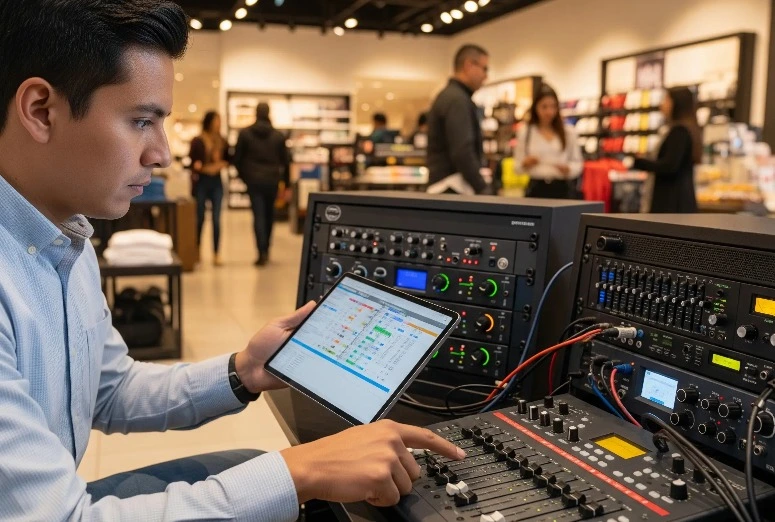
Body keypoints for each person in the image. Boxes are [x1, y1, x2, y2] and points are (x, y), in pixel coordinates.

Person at [0, 1, 465, 520]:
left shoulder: (68, 241)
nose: (162, 154)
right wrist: (300, 471)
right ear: (41, 110)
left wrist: (243, 371)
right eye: (140, 121)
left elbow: (110, 390)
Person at [426, 44, 491, 195]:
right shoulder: (457, 100)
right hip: (451, 188)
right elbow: (462, 151)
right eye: (484, 68)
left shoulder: (452, 96)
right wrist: (482, 187)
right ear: (469, 65)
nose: (485, 76)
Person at [233, 102, 290, 266]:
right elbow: (286, 162)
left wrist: (245, 177)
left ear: (256, 113)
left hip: (253, 180)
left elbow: (237, 160)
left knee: (258, 215)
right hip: (272, 180)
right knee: (269, 215)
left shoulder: (245, 134)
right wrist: (285, 184)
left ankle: (261, 252)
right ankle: (267, 249)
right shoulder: (278, 136)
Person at [629, 86, 700, 213]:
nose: (662, 104)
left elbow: (669, 165)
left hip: (672, 203)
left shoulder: (679, 131)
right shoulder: (687, 129)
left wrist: (641, 162)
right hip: (678, 202)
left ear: (676, 103)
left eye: (666, 99)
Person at [515, 84, 583, 199]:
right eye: (544, 107)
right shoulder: (526, 132)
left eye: (553, 106)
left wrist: (568, 169)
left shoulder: (568, 132)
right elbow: (517, 166)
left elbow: (578, 163)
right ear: (535, 107)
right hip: (536, 188)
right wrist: (526, 163)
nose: (549, 112)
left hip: (562, 189)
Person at [189, 110, 228, 266]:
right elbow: (192, 160)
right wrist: (198, 166)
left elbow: (229, 158)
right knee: (200, 218)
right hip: (202, 182)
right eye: (216, 120)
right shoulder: (198, 141)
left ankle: (216, 253)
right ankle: (196, 250)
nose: (218, 124)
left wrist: (220, 165)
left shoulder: (222, 141)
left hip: (217, 182)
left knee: (217, 219)